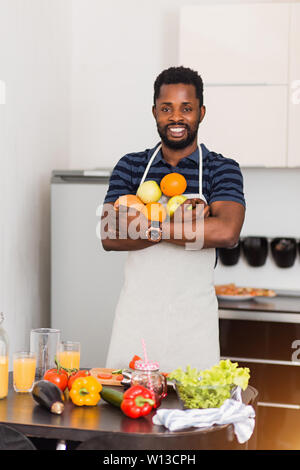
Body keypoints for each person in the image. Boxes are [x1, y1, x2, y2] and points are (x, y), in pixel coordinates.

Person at [101, 66, 245, 373]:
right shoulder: (131, 166)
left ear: (201, 113)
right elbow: (109, 236)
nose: (176, 118)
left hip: (193, 324)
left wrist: (145, 224)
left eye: (186, 108)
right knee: (125, 414)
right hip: (136, 320)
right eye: (167, 108)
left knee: (193, 415)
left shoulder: (221, 169)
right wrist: (189, 226)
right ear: (154, 112)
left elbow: (226, 232)